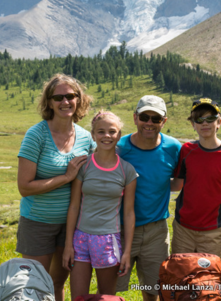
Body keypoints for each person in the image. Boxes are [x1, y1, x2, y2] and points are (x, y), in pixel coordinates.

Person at [16, 73, 95, 301]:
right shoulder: (36, 135)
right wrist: (66, 177)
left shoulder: (85, 138)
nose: (65, 102)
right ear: (49, 102)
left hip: (71, 225)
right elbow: (25, 187)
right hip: (37, 221)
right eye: (58, 97)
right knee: (34, 286)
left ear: (79, 100)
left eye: (71, 96)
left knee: (57, 282)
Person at [62, 110, 137, 300]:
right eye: (101, 131)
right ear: (93, 135)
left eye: (112, 131)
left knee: (106, 298)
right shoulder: (84, 166)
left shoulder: (127, 170)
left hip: (108, 241)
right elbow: (74, 206)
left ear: (119, 135)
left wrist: (126, 252)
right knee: (78, 298)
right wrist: (68, 245)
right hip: (80, 238)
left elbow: (128, 213)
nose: (106, 136)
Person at [116, 95, 182, 301]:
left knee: (154, 289)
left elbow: (178, 183)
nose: (149, 123)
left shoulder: (173, 148)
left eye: (156, 119)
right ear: (135, 118)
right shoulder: (119, 147)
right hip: (119, 230)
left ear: (164, 121)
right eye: (145, 117)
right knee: (112, 288)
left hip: (156, 231)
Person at [172, 98, 221, 258]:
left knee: (209, 280)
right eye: (199, 119)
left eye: (210, 118)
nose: (204, 123)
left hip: (214, 230)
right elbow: (177, 183)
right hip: (183, 229)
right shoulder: (186, 150)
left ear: (219, 122)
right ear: (193, 124)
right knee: (179, 277)